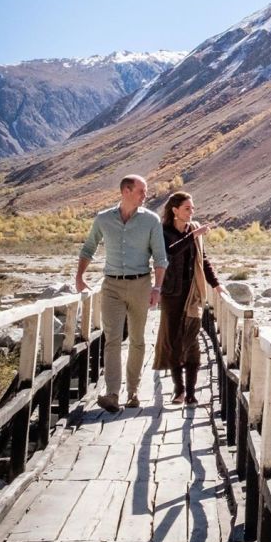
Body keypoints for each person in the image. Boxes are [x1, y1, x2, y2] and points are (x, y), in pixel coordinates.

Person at [76, 174, 167, 412]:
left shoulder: (152, 220)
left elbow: (160, 258)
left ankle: (134, 391)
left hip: (141, 285)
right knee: (112, 339)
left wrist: (157, 287)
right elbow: (89, 247)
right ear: (126, 191)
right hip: (112, 286)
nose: (145, 195)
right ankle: (113, 394)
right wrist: (80, 277)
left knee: (137, 339)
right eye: (141, 191)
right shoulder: (103, 219)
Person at [153, 191, 223, 405]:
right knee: (174, 340)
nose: (192, 212)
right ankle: (179, 389)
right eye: (187, 208)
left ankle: (191, 392)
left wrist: (217, 285)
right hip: (172, 293)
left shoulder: (193, 229)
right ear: (175, 210)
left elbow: (203, 260)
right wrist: (194, 235)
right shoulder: (163, 232)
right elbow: (169, 253)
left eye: (193, 208)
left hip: (193, 293)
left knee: (191, 341)